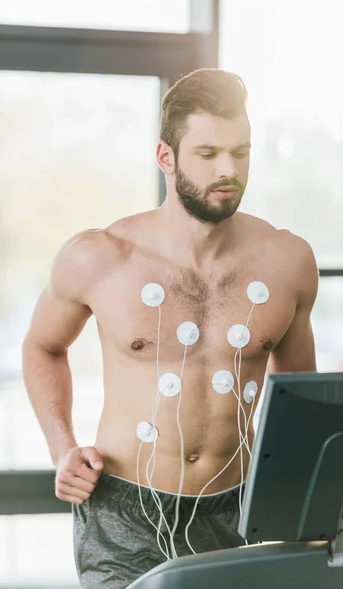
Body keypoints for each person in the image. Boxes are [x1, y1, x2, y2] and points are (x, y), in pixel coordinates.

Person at [22, 68, 318, 588]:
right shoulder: (100, 257)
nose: (228, 169)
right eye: (207, 155)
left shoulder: (288, 262)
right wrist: (62, 448)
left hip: (239, 513)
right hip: (124, 515)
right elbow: (43, 347)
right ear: (166, 158)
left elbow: (302, 398)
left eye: (240, 152)